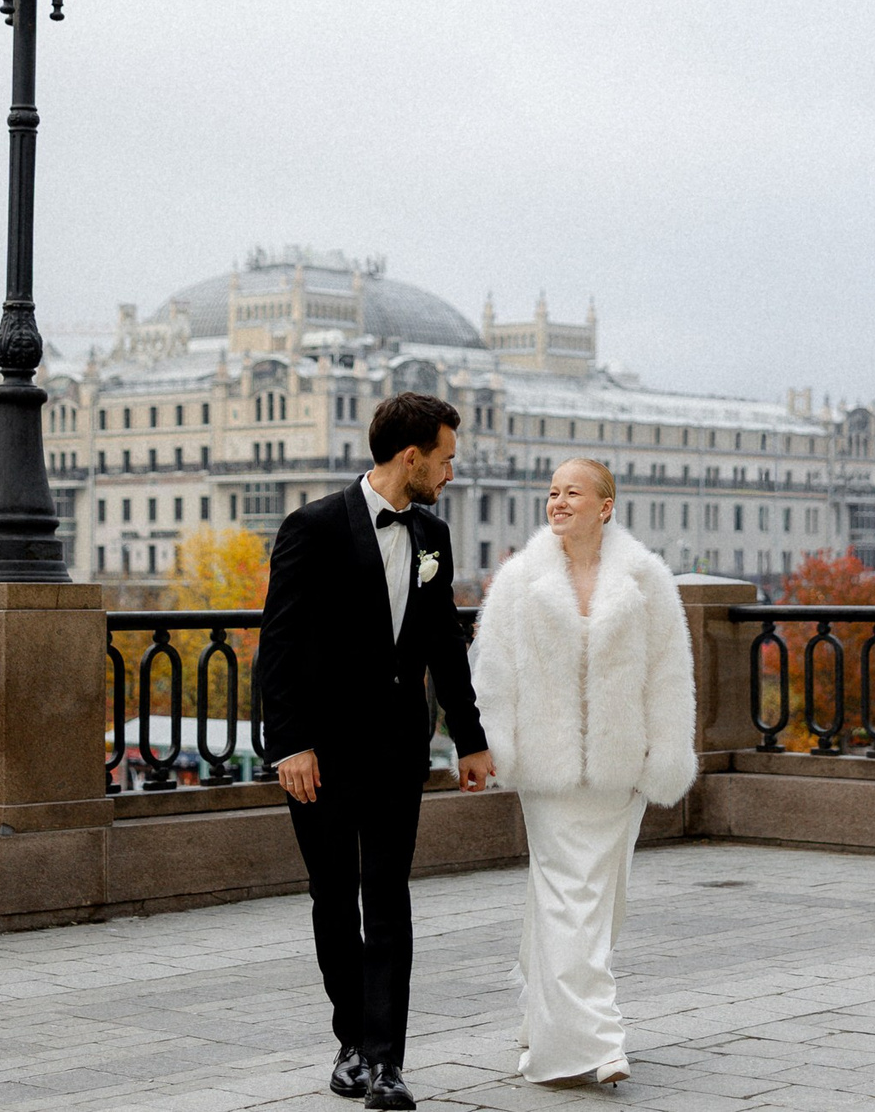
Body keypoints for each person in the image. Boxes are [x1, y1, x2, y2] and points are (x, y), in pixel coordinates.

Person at [259, 392, 495, 1111]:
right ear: (411, 455)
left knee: (388, 898)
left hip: (398, 751)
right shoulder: (313, 526)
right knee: (333, 898)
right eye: (447, 457)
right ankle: (353, 1038)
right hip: (321, 755)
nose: (453, 471)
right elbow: (281, 645)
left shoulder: (432, 534)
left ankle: (387, 1061)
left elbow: (443, 640)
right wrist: (290, 742)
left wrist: (471, 737)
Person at [469, 457, 696, 1087]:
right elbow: (495, 673)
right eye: (551, 493)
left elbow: (670, 675)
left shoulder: (647, 579)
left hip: (622, 767)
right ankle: (593, 1042)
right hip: (547, 768)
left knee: (598, 903)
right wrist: (495, 747)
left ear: (605, 506)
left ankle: (544, 1026)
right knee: (570, 896)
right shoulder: (519, 580)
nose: (558, 502)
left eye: (573, 492)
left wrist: (666, 753)